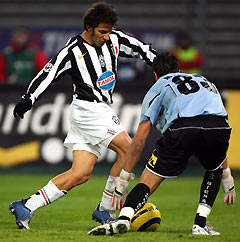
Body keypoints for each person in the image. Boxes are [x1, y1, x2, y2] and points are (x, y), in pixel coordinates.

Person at [9, 2, 157, 229]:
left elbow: (142, 50)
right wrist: (28, 99)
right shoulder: (72, 51)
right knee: (130, 148)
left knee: (80, 174)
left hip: (99, 109)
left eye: (109, 31)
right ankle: (105, 210)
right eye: (102, 31)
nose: (107, 36)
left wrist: (162, 66)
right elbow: (48, 73)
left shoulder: (115, 39)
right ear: (88, 27)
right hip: (89, 110)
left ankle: (27, 205)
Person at [87, 52, 236, 236]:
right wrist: (227, 174)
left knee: (148, 181)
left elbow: (139, 140)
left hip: (184, 127)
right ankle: (200, 225)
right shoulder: (204, 81)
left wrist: (123, 181)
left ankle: (124, 218)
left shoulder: (159, 85)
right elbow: (214, 124)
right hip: (219, 128)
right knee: (214, 168)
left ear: (156, 74)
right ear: (180, 69)